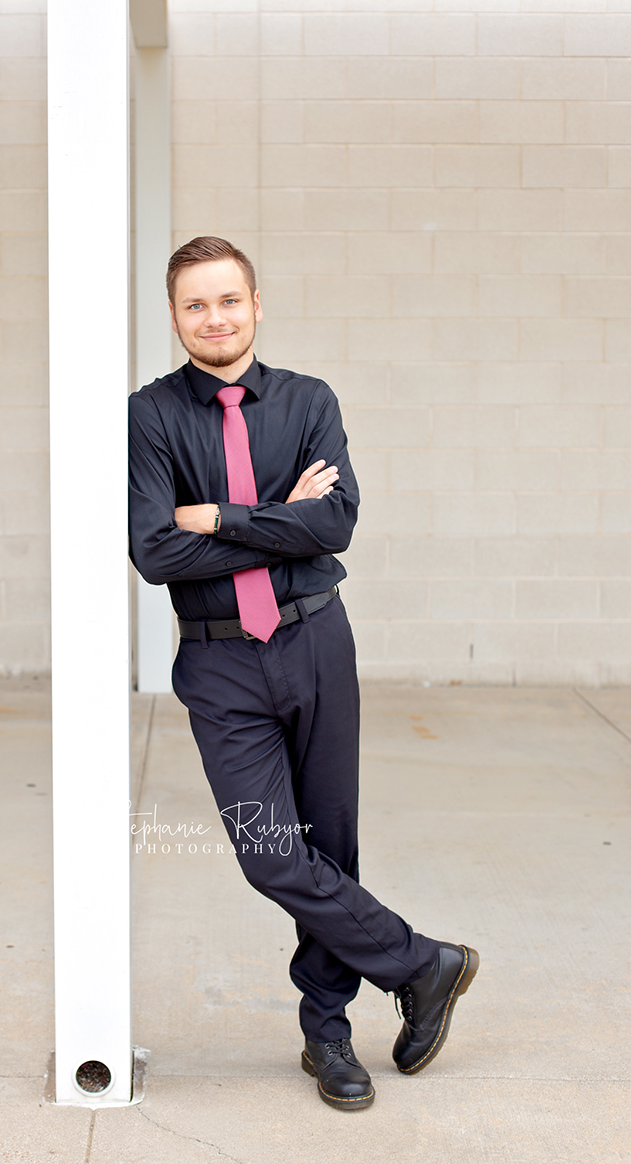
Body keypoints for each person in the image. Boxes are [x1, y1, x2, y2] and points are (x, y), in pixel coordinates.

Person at [128, 235, 479, 1111]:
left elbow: (335, 526)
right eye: (195, 305)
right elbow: (154, 551)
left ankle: (329, 1038)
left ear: (257, 302)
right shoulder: (150, 415)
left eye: (229, 300)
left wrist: (219, 516)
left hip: (317, 642)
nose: (215, 318)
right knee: (270, 852)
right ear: (174, 317)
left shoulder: (310, 401)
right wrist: (280, 514)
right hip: (218, 662)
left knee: (332, 844)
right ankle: (419, 962)